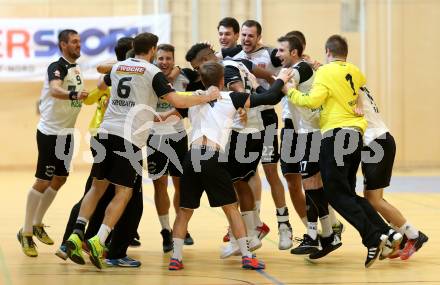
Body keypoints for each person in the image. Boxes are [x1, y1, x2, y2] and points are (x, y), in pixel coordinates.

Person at [65, 32, 220, 269]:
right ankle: (99, 240)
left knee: (97, 187)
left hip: (106, 132)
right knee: (124, 192)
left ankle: (78, 231)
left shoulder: (118, 68)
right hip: (128, 138)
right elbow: (176, 100)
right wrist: (205, 96)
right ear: (152, 50)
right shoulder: (151, 71)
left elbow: (100, 68)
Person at [286, 34, 402, 268]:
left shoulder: (325, 73)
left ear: (327, 51)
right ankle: (387, 233)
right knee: (347, 193)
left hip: (336, 135)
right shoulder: (355, 71)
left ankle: (373, 237)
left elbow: (311, 100)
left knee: (335, 194)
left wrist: (290, 90)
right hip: (355, 135)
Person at [167, 61, 293, 271]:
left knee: (184, 211)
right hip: (211, 156)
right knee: (231, 209)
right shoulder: (232, 98)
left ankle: (176, 257)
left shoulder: (195, 98)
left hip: (191, 157)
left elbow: (171, 113)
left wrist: (158, 116)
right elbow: (269, 98)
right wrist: (282, 79)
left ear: (203, 79)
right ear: (223, 80)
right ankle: (246, 256)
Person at [55, 37, 143, 267]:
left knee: (94, 190)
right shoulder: (140, 77)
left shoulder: (110, 76)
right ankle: (110, 248)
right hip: (122, 137)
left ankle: (72, 240)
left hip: (100, 135)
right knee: (127, 196)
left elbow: (92, 96)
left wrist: (95, 96)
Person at [17, 29, 88, 257]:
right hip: (50, 133)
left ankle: (37, 224)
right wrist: (74, 95)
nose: (78, 45)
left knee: (60, 179)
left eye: (79, 41)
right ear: (63, 45)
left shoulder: (76, 68)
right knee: (42, 180)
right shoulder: (56, 67)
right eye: (74, 42)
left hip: (66, 134)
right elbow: (56, 90)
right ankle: (26, 232)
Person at [276, 35, 342, 258]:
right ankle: (321, 233)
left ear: (294, 52)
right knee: (307, 184)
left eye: (281, 51)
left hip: (309, 134)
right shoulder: (303, 68)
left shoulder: (300, 68)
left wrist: (255, 88)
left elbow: (281, 85)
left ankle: (322, 232)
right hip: (297, 132)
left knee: (313, 185)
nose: (278, 55)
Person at [359, 87, 428, 260]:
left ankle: (413, 235)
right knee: (371, 199)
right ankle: (402, 236)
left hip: (377, 142)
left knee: (374, 200)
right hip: (375, 142)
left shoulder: (345, 82)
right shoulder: (351, 80)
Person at [149, 43, 194, 252]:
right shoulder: (148, 76)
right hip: (154, 137)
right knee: (160, 185)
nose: (164, 62)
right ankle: (166, 230)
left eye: (168, 58)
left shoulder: (184, 76)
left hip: (178, 136)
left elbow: (208, 71)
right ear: (155, 59)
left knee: (181, 185)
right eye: (161, 58)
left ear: (174, 60)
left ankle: (180, 227)